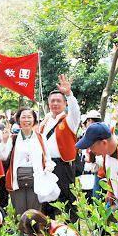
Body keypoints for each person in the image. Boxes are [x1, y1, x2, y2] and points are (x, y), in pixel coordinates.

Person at [0, 107, 54, 215]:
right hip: (17, 180)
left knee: (35, 213)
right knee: (20, 213)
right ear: (19, 120)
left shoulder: (40, 137)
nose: (26, 120)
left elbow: (47, 158)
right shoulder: (13, 138)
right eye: (23, 117)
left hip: (37, 179)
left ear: (34, 120)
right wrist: (4, 140)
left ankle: (34, 232)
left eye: (29, 117)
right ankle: (21, 232)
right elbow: (2, 156)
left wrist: (48, 169)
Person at [37, 75, 82, 220]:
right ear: (48, 103)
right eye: (52, 101)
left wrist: (69, 94)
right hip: (47, 167)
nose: (55, 103)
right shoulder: (45, 122)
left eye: (59, 101)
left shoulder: (70, 120)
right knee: (47, 204)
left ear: (64, 103)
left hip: (64, 167)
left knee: (69, 204)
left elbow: (75, 111)